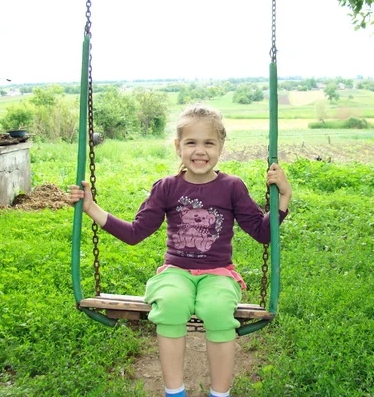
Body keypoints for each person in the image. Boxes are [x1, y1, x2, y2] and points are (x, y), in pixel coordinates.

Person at [69, 104, 292, 397]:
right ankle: (175, 392)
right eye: (191, 143)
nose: (200, 151)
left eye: (209, 143)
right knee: (171, 303)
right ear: (178, 147)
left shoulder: (232, 187)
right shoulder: (167, 188)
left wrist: (283, 196)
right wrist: (90, 207)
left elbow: (263, 233)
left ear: (221, 146)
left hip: (218, 274)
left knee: (217, 309)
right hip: (175, 272)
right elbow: (136, 233)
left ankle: (219, 393)